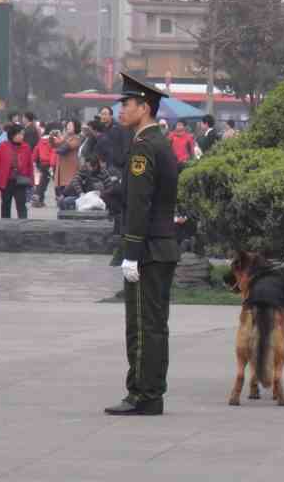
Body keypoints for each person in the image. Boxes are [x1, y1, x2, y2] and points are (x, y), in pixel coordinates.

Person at [105, 73, 179, 417]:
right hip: (161, 246)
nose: (121, 110)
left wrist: (131, 253)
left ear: (144, 108)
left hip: (148, 249)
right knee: (154, 324)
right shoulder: (159, 142)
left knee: (142, 325)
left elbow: (140, 205)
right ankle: (151, 391)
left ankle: (142, 393)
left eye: (126, 104)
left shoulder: (145, 146)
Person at [0, 124, 33, 219]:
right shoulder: (3, 146)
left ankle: (23, 225)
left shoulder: (26, 147)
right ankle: (5, 226)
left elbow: (30, 165)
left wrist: (31, 181)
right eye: (19, 134)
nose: (22, 136)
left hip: (21, 180)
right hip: (6, 180)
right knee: (5, 204)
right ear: (12, 135)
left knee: (21, 205)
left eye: (23, 134)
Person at [96, 105, 133, 175]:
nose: (103, 116)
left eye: (105, 114)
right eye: (101, 114)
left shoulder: (119, 128)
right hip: (104, 167)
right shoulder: (101, 129)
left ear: (111, 116)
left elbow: (126, 146)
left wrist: (121, 162)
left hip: (117, 167)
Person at [52, 120, 82, 200]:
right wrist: (52, 136)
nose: (68, 127)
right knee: (60, 192)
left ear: (76, 127)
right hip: (61, 170)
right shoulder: (65, 138)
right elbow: (53, 144)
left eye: (71, 125)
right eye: (68, 125)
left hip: (70, 171)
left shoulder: (77, 138)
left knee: (67, 193)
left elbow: (64, 149)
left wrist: (61, 138)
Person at [31, 124, 58, 208]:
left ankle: (38, 197)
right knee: (57, 183)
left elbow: (36, 150)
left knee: (43, 182)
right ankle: (59, 198)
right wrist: (52, 165)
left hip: (42, 164)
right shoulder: (54, 140)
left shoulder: (41, 140)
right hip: (51, 164)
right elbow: (54, 152)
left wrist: (34, 160)